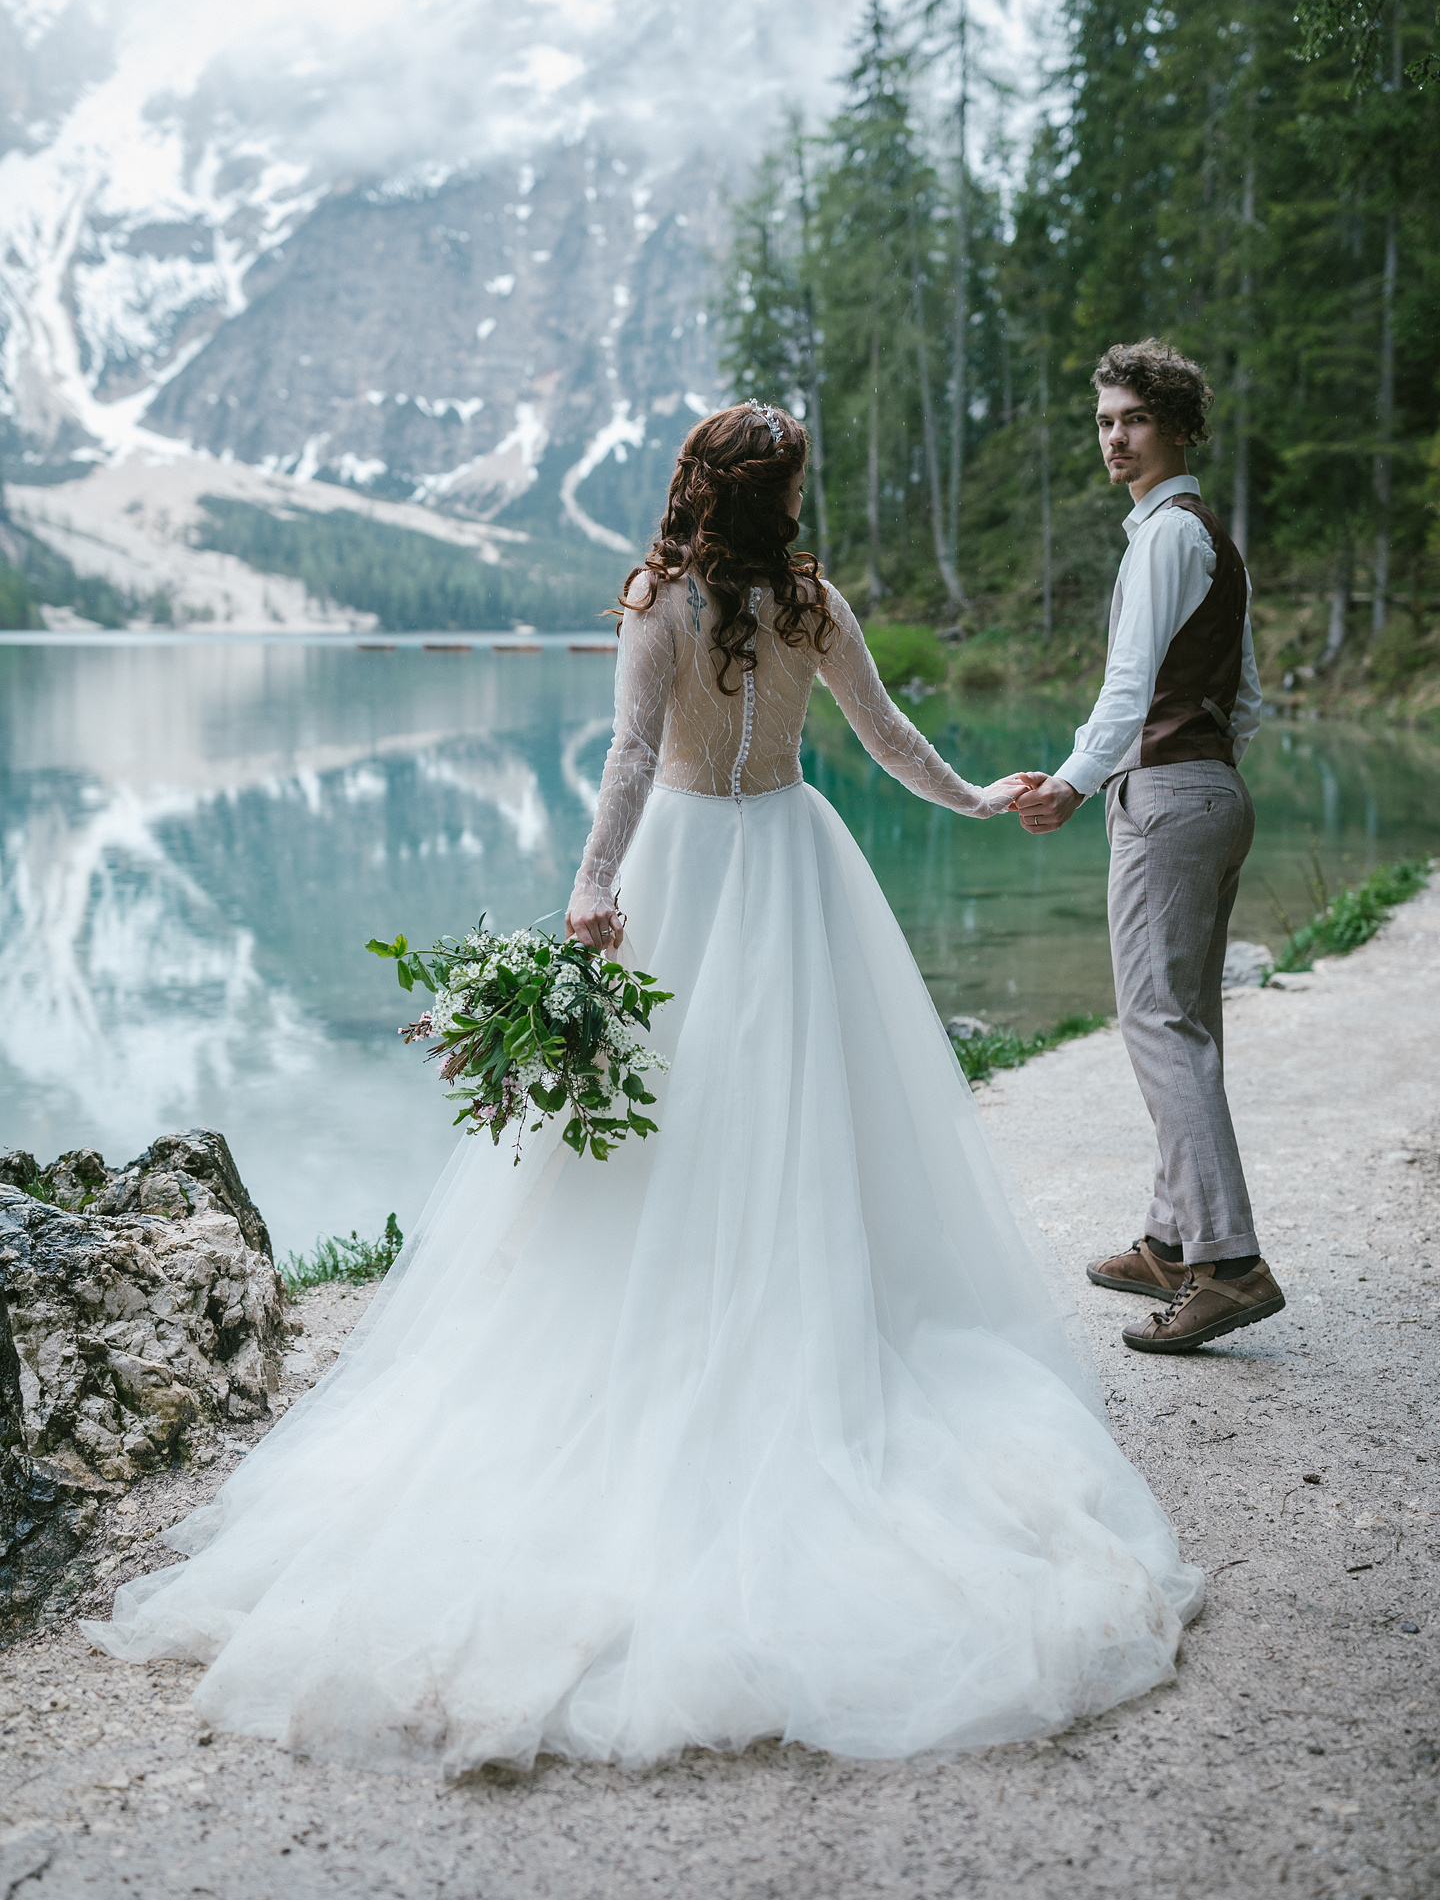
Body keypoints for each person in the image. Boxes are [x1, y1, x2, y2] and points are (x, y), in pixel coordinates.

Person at [89, 402, 1201, 1773]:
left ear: (696, 493)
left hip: (685, 862)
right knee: (796, 1120)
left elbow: (629, 754)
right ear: (777, 497)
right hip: (794, 865)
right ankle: (795, 1314)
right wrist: (977, 797)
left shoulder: (659, 599)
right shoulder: (813, 603)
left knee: (662, 1129)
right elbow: (889, 734)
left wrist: (593, 886)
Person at [1014, 340, 1285, 1356]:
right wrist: (1206, 772)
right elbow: (1246, 696)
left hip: (1166, 796)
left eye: (1132, 419)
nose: (1115, 437)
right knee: (1187, 1024)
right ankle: (1173, 1240)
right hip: (1210, 791)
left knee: (1158, 1023)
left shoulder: (1165, 536)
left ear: (1176, 425)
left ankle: (1229, 1262)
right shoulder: (1205, 533)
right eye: (1104, 422)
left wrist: (1080, 782)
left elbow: (1127, 691)